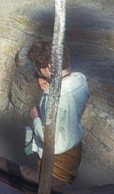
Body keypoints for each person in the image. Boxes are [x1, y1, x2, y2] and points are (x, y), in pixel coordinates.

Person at [24, 40, 89, 184]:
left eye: (40, 68)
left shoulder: (56, 97)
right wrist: (49, 80)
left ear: (49, 66)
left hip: (57, 158)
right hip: (75, 148)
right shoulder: (80, 81)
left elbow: (49, 139)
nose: (38, 71)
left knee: (50, 186)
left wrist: (35, 118)